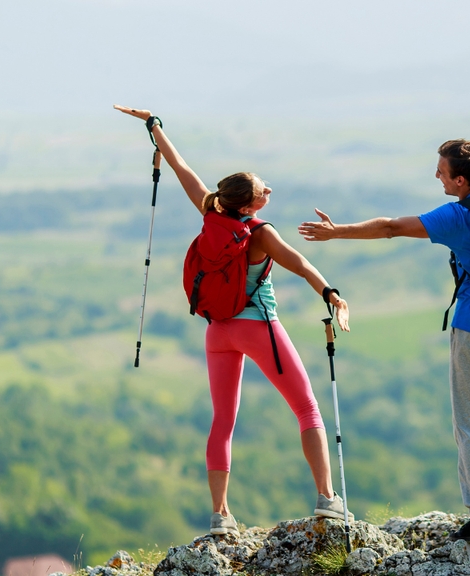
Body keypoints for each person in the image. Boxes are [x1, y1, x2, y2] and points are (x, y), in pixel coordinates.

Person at [297, 37, 470, 544]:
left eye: (441, 172)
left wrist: (336, 232)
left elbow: (392, 227)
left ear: (461, 181)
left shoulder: (459, 215)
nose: (436, 177)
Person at [114, 105, 353, 536]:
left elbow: (181, 168)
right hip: (259, 326)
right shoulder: (259, 233)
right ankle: (327, 499)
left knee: (222, 420)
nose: (269, 191)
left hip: (217, 332)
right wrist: (331, 294)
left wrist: (155, 128)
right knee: (306, 407)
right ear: (251, 203)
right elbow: (298, 263)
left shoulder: (211, 211)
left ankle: (221, 515)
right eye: (264, 190)